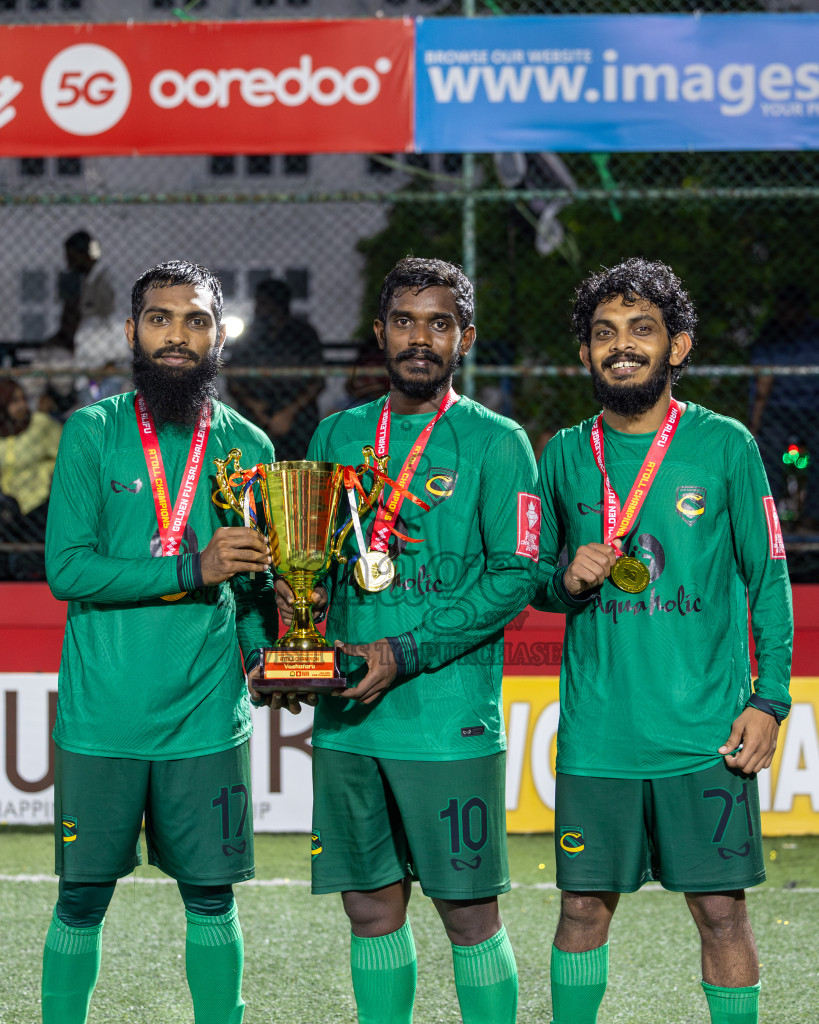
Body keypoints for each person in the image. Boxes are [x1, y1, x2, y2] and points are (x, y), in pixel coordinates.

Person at [263, 256, 540, 1024]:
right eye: (405, 322)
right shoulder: (337, 432)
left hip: (446, 722)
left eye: (439, 323)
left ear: (464, 338)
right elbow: (316, 559)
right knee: (368, 907)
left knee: (468, 914)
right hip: (351, 719)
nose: (421, 338)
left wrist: (404, 651)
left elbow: (514, 577)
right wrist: (298, 617)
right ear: (379, 332)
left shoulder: (498, 441)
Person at [533, 257, 793, 1024]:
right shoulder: (561, 454)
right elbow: (532, 582)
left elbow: (767, 578)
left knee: (721, 913)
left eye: (640, 330)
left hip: (702, 736)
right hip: (598, 738)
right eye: (603, 332)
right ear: (584, 352)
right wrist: (565, 580)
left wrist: (769, 700)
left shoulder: (725, 446)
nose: (621, 345)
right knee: (581, 909)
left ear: (675, 346)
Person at [41, 260, 278, 1024]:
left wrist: (261, 655)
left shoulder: (250, 446)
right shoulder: (92, 432)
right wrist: (190, 567)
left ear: (218, 337)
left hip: (205, 717)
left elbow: (250, 587)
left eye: (196, 320)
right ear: (131, 331)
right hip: (103, 717)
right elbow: (68, 569)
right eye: (161, 319)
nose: (178, 335)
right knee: (80, 898)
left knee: (211, 897)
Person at [227, 277, 324, 460]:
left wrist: (288, 413)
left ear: (281, 305)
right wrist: (254, 407)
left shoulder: (303, 334)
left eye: (267, 304)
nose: (260, 309)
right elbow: (232, 381)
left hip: (296, 413)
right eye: (260, 303)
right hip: (256, 409)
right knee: (249, 455)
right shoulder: (248, 335)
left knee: (299, 459)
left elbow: (318, 382)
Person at [749, 285, 819, 529]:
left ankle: (810, 519)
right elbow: (763, 381)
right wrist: (755, 423)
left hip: (812, 408)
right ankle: (771, 521)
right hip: (778, 408)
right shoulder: (771, 332)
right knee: (767, 459)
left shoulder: (813, 332)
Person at [0, 376, 62, 579]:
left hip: (38, 502)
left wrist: (49, 472)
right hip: (7, 506)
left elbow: (66, 456)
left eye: (23, 399)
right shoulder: (3, 434)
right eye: (14, 401)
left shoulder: (40, 425)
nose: (22, 405)